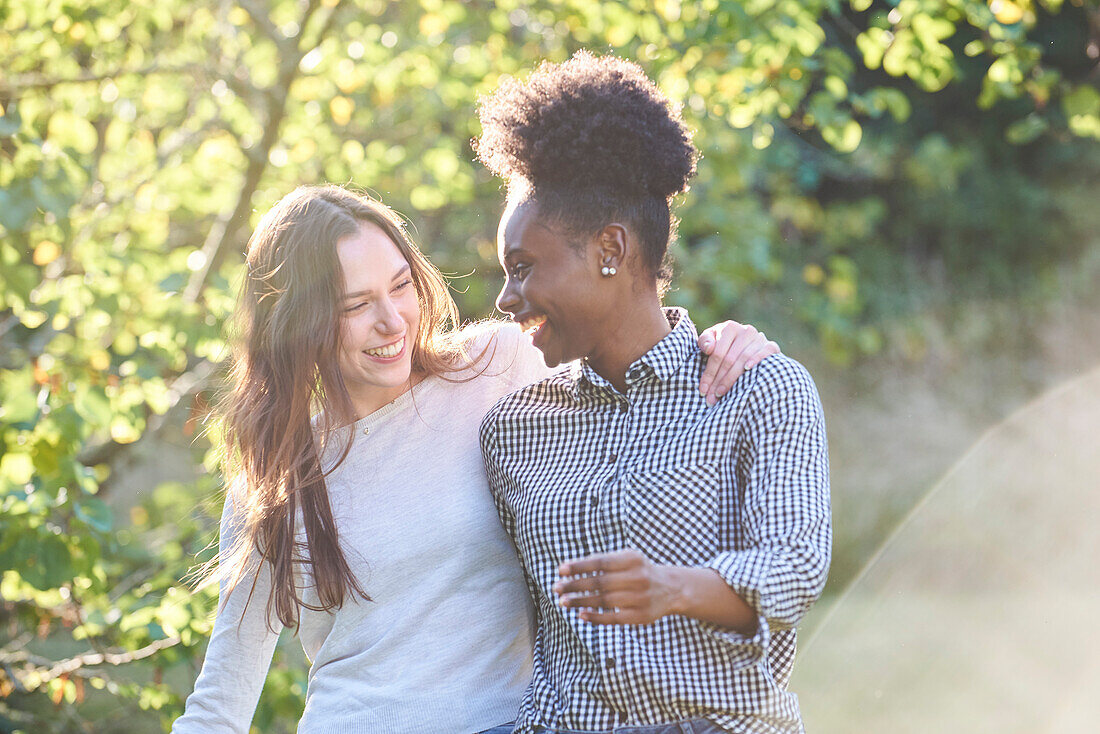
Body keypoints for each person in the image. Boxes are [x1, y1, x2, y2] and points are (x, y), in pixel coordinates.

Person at [171, 184, 780, 733]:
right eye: (355, 305)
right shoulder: (276, 477)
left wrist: (720, 344)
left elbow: (634, 371)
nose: (393, 322)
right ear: (296, 323)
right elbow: (222, 700)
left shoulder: (497, 365)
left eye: (401, 286)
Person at [476, 52, 831, 734]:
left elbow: (795, 567)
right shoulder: (513, 428)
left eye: (523, 268)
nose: (505, 297)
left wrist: (671, 587)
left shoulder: (758, 389)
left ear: (611, 249)